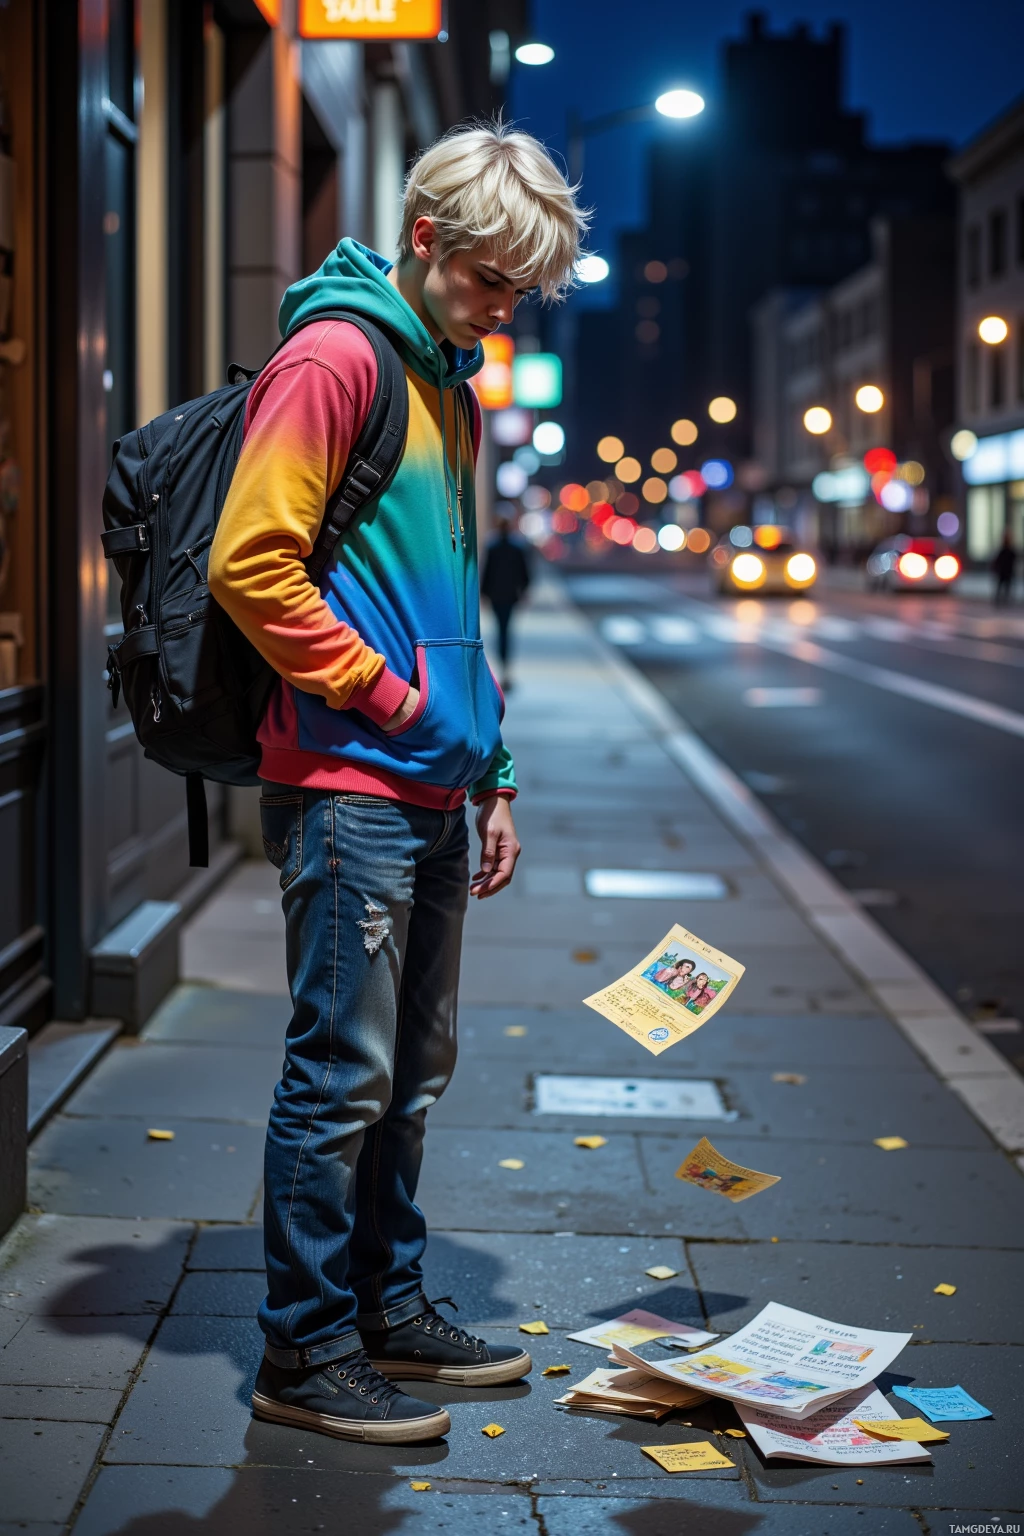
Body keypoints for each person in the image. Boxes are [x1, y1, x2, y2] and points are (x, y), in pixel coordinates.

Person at [209, 122, 587, 1445]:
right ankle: (304, 1354)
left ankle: (387, 1305)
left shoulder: (452, 383)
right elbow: (254, 566)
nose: (503, 310)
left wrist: (493, 771)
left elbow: (454, 600)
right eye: (491, 280)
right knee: (340, 1075)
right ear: (426, 238)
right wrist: (392, 702)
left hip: (430, 785)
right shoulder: (337, 359)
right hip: (347, 781)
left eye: (521, 292)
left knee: (412, 1068)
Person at [482, 515, 531, 688]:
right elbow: (524, 573)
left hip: (496, 595)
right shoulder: (516, 547)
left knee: (500, 630)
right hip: (510, 596)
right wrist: (524, 590)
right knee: (506, 630)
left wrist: (484, 593)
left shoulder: (493, 547)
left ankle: (502, 666)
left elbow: (487, 572)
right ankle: (506, 667)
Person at [992, 530, 1017, 606]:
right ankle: (1000, 600)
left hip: (1006, 571)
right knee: (1002, 586)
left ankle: (1003, 600)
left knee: (1005, 586)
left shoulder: (1008, 550)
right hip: (1004, 571)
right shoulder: (1004, 550)